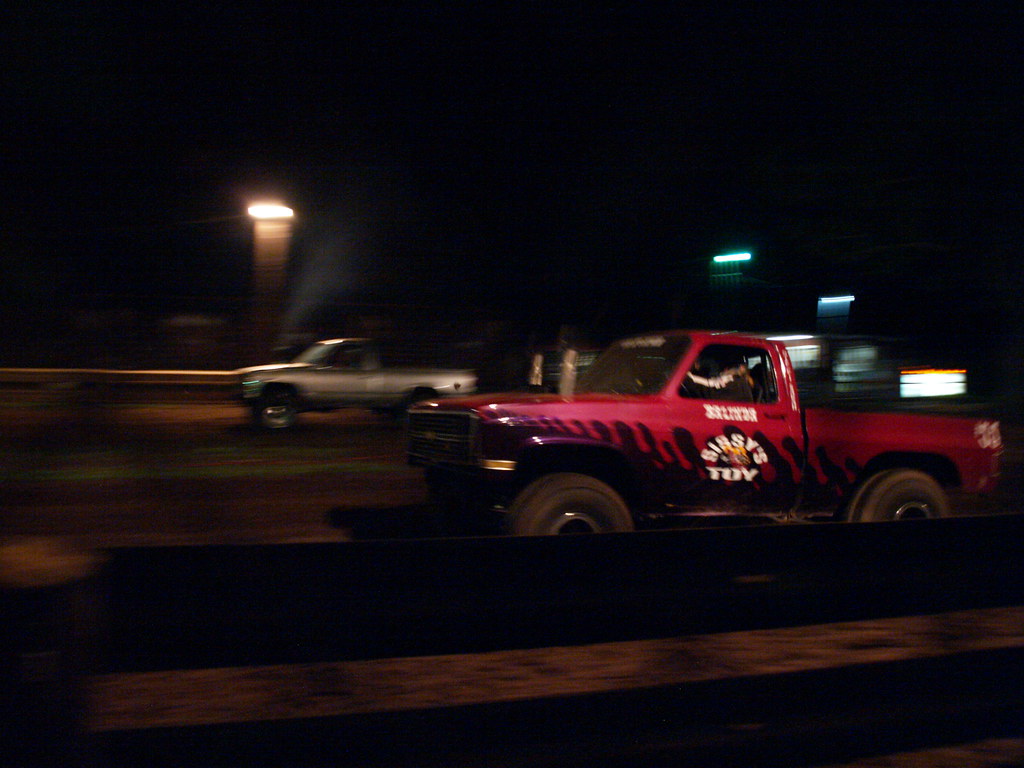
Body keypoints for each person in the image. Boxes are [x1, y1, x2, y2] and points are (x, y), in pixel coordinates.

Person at [683, 358, 755, 401]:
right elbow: (709, 383)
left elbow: (710, 395)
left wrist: (688, 380)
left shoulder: (737, 385)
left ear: (740, 368)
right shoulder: (737, 382)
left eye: (727, 368)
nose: (723, 371)